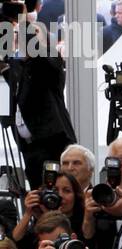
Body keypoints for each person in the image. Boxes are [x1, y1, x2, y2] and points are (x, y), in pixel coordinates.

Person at [0, 1, 77, 189]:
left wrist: (24, 19)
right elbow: (9, 95)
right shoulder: (18, 68)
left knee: (58, 195)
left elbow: (39, 60)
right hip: (28, 146)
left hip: (53, 143)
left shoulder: (51, 63)